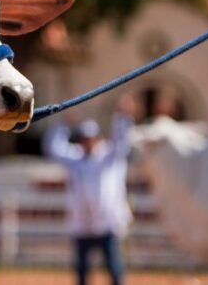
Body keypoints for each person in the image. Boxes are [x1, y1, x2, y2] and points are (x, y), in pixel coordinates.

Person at [43, 96, 135, 285]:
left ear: (97, 138)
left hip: (107, 223)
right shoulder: (74, 157)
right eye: (84, 138)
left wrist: (122, 117)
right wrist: (64, 123)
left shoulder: (108, 155)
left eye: (90, 138)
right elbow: (52, 147)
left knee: (113, 267)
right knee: (82, 271)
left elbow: (122, 142)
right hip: (81, 224)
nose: (87, 142)